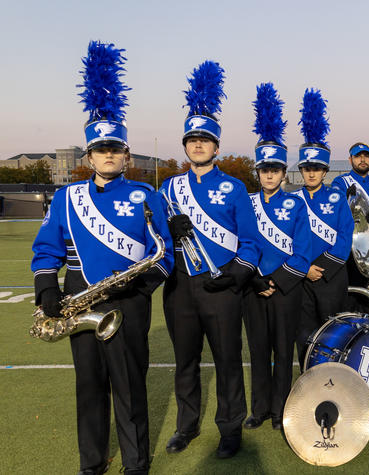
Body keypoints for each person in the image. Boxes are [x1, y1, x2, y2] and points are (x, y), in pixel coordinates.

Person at [31, 41, 173, 475]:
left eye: (116, 148)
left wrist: (140, 287)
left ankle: (136, 462)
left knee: (129, 389)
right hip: (80, 298)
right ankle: (91, 462)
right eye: (101, 148)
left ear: (126, 155)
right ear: (89, 155)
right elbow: (46, 248)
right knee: (89, 388)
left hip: (129, 303)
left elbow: (164, 253)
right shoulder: (67, 197)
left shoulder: (147, 195)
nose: (109, 154)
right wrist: (46, 285)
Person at [161, 61, 259, 459]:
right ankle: (185, 427)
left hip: (221, 288)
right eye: (192, 139)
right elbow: (153, 240)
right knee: (185, 361)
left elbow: (251, 242)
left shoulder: (235, 187)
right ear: (185, 146)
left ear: (217, 147)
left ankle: (230, 427)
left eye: (205, 140)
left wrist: (236, 275)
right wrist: (170, 230)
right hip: (180, 286)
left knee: (227, 361)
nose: (198, 145)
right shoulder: (169, 187)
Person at [243, 83, 311, 431]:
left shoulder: (296, 204)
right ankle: (259, 409)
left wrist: (276, 282)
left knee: (284, 353)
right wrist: (256, 280)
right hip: (253, 289)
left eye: (275, 169)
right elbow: (239, 245)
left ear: (284, 173)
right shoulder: (247, 204)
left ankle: (281, 409)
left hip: (285, 291)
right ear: (258, 172)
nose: (269, 174)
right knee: (258, 352)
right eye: (264, 169)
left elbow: (303, 253)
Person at [293, 88, 354, 365]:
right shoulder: (291, 199)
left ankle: (332, 380)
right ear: (301, 170)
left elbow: (345, 237)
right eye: (307, 168)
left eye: (317, 168)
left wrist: (323, 268)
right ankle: (307, 379)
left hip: (332, 275)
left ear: (325, 170)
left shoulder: (337, 196)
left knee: (332, 335)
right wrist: (303, 268)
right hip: (300, 275)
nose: (311, 173)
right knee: (304, 334)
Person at [331, 142, 369, 312]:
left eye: (366, 156)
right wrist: (345, 197)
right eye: (358, 156)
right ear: (350, 159)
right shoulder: (340, 182)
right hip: (348, 246)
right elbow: (333, 210)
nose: (362, 159)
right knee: (348, 294)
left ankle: (366, 334)